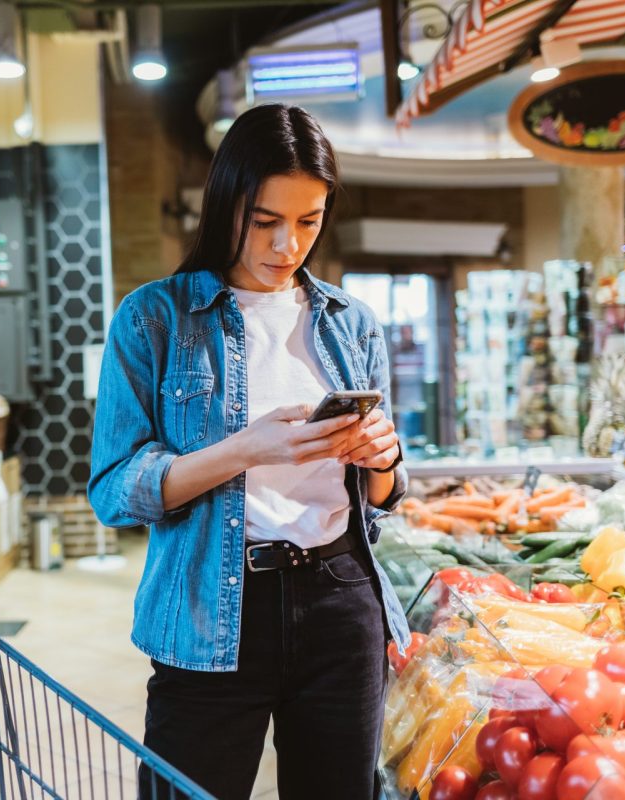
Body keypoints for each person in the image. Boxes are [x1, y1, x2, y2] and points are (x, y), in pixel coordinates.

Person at [88, 103, 411, 800]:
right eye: (265, 221)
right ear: (225, 201)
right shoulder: (156, 317)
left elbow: (382, 500)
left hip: (341, 601)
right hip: (210, 604)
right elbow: (114, 489)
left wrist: (381, 459)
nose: (286, 245)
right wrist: (244, 450)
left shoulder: (349, 322)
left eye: (308, 221)